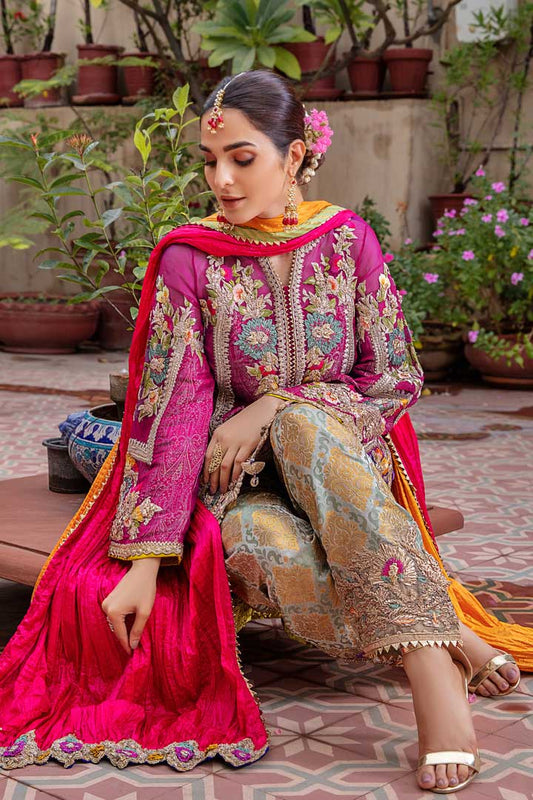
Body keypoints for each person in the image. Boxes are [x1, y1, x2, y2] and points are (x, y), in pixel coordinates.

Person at [0, 70, 530, 794]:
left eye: (242, 158)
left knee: (304, 424)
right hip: (237, 488)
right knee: (262, 542)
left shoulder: (347, 241)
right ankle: (449, 638)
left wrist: (275, 405)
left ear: (295, 155)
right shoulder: (191, 258)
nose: (221, 180)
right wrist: (146, 562)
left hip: (340, 466)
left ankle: (430, 676)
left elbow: (395, 378)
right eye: (210, 161)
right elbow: (171, 407)